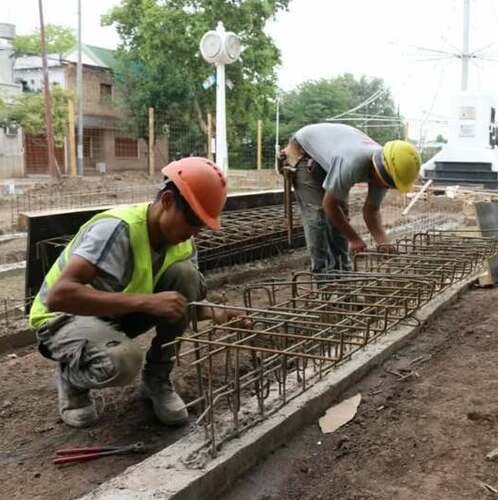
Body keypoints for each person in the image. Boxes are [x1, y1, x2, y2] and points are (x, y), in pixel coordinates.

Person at [29, 157, 235, 428]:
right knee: (123, 361)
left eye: (202, 225)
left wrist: (216, 312)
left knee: (186, 276)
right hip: (63, 318)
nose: (195, 232)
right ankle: (72, 378)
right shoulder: (117, 230)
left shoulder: (182, 243)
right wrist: (147, 302)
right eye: (193, 220)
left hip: (115, 313)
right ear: (169, 200)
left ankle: (157, 380)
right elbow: (60, 296)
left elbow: (182, 305)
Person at [279, 123, 421, 273]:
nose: (389, 187)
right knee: (318, 216)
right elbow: (330, 206)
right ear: (382, 171)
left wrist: (383, 242)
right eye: (391, 184)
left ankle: (343, 274)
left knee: (341, 217)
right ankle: (323, 279)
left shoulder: (387, 170)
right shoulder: (353, 162)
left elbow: (371, 211)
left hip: (334, 152)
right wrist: (354, 239)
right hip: (303, 150)